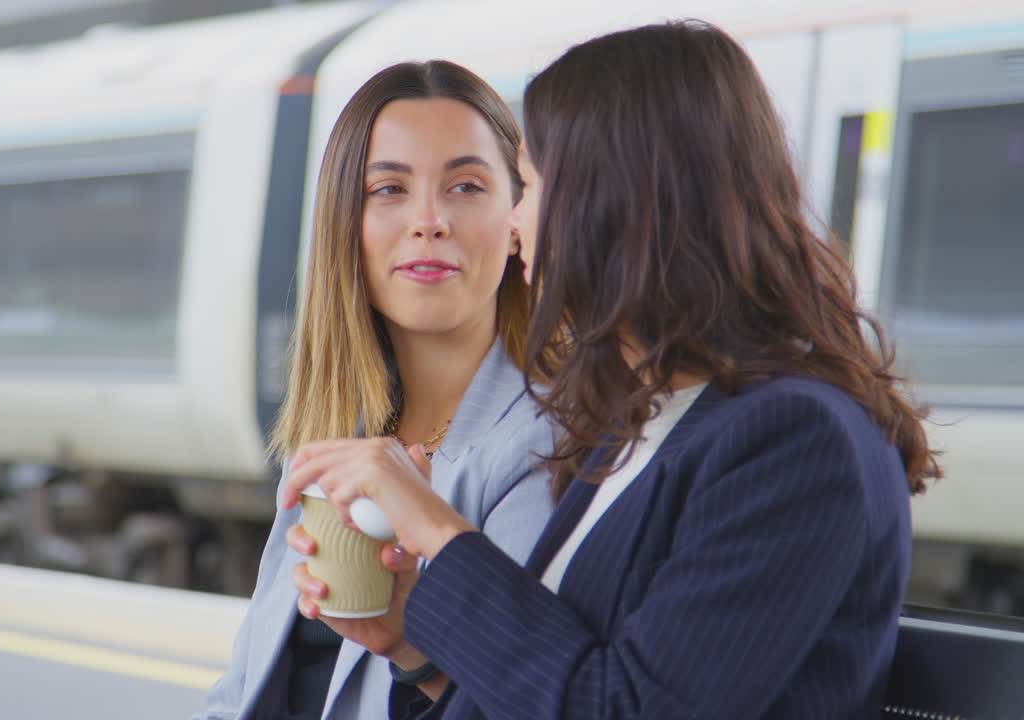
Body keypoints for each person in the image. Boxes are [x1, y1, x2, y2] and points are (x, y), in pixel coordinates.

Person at [280, 20, 939, 719]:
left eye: (527, 188)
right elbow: (569, 688)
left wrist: (437, 531)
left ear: (618, 203)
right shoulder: (635, 423)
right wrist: (414, 648)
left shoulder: (797, 442)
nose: (511, 226)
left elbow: (627, 710)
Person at [194, 60, 555, 720]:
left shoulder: (552, 445)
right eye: (388, 189)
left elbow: (530, 700)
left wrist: (417, 649)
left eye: (467, 186)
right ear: (345, 226)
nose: (429, 220)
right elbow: (242, 687)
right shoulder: (343, 429)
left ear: (515, 219)